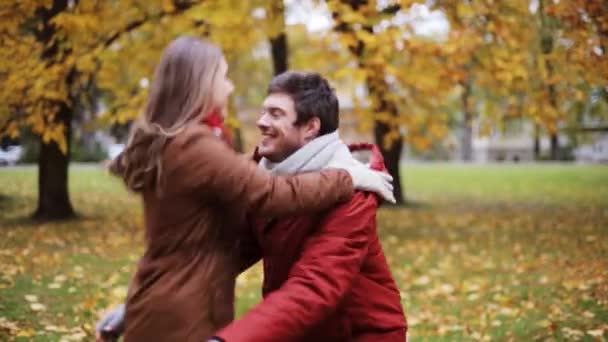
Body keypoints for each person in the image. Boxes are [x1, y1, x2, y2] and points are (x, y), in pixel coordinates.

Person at [99, 37, 393, 342]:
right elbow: (258, 211)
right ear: (201, 83)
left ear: (310, 127)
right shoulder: (204, 149)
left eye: (275, 114)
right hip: (197, 314)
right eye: (222, 77)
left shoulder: (353, 198)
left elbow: (314, 285)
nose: (260, 121)